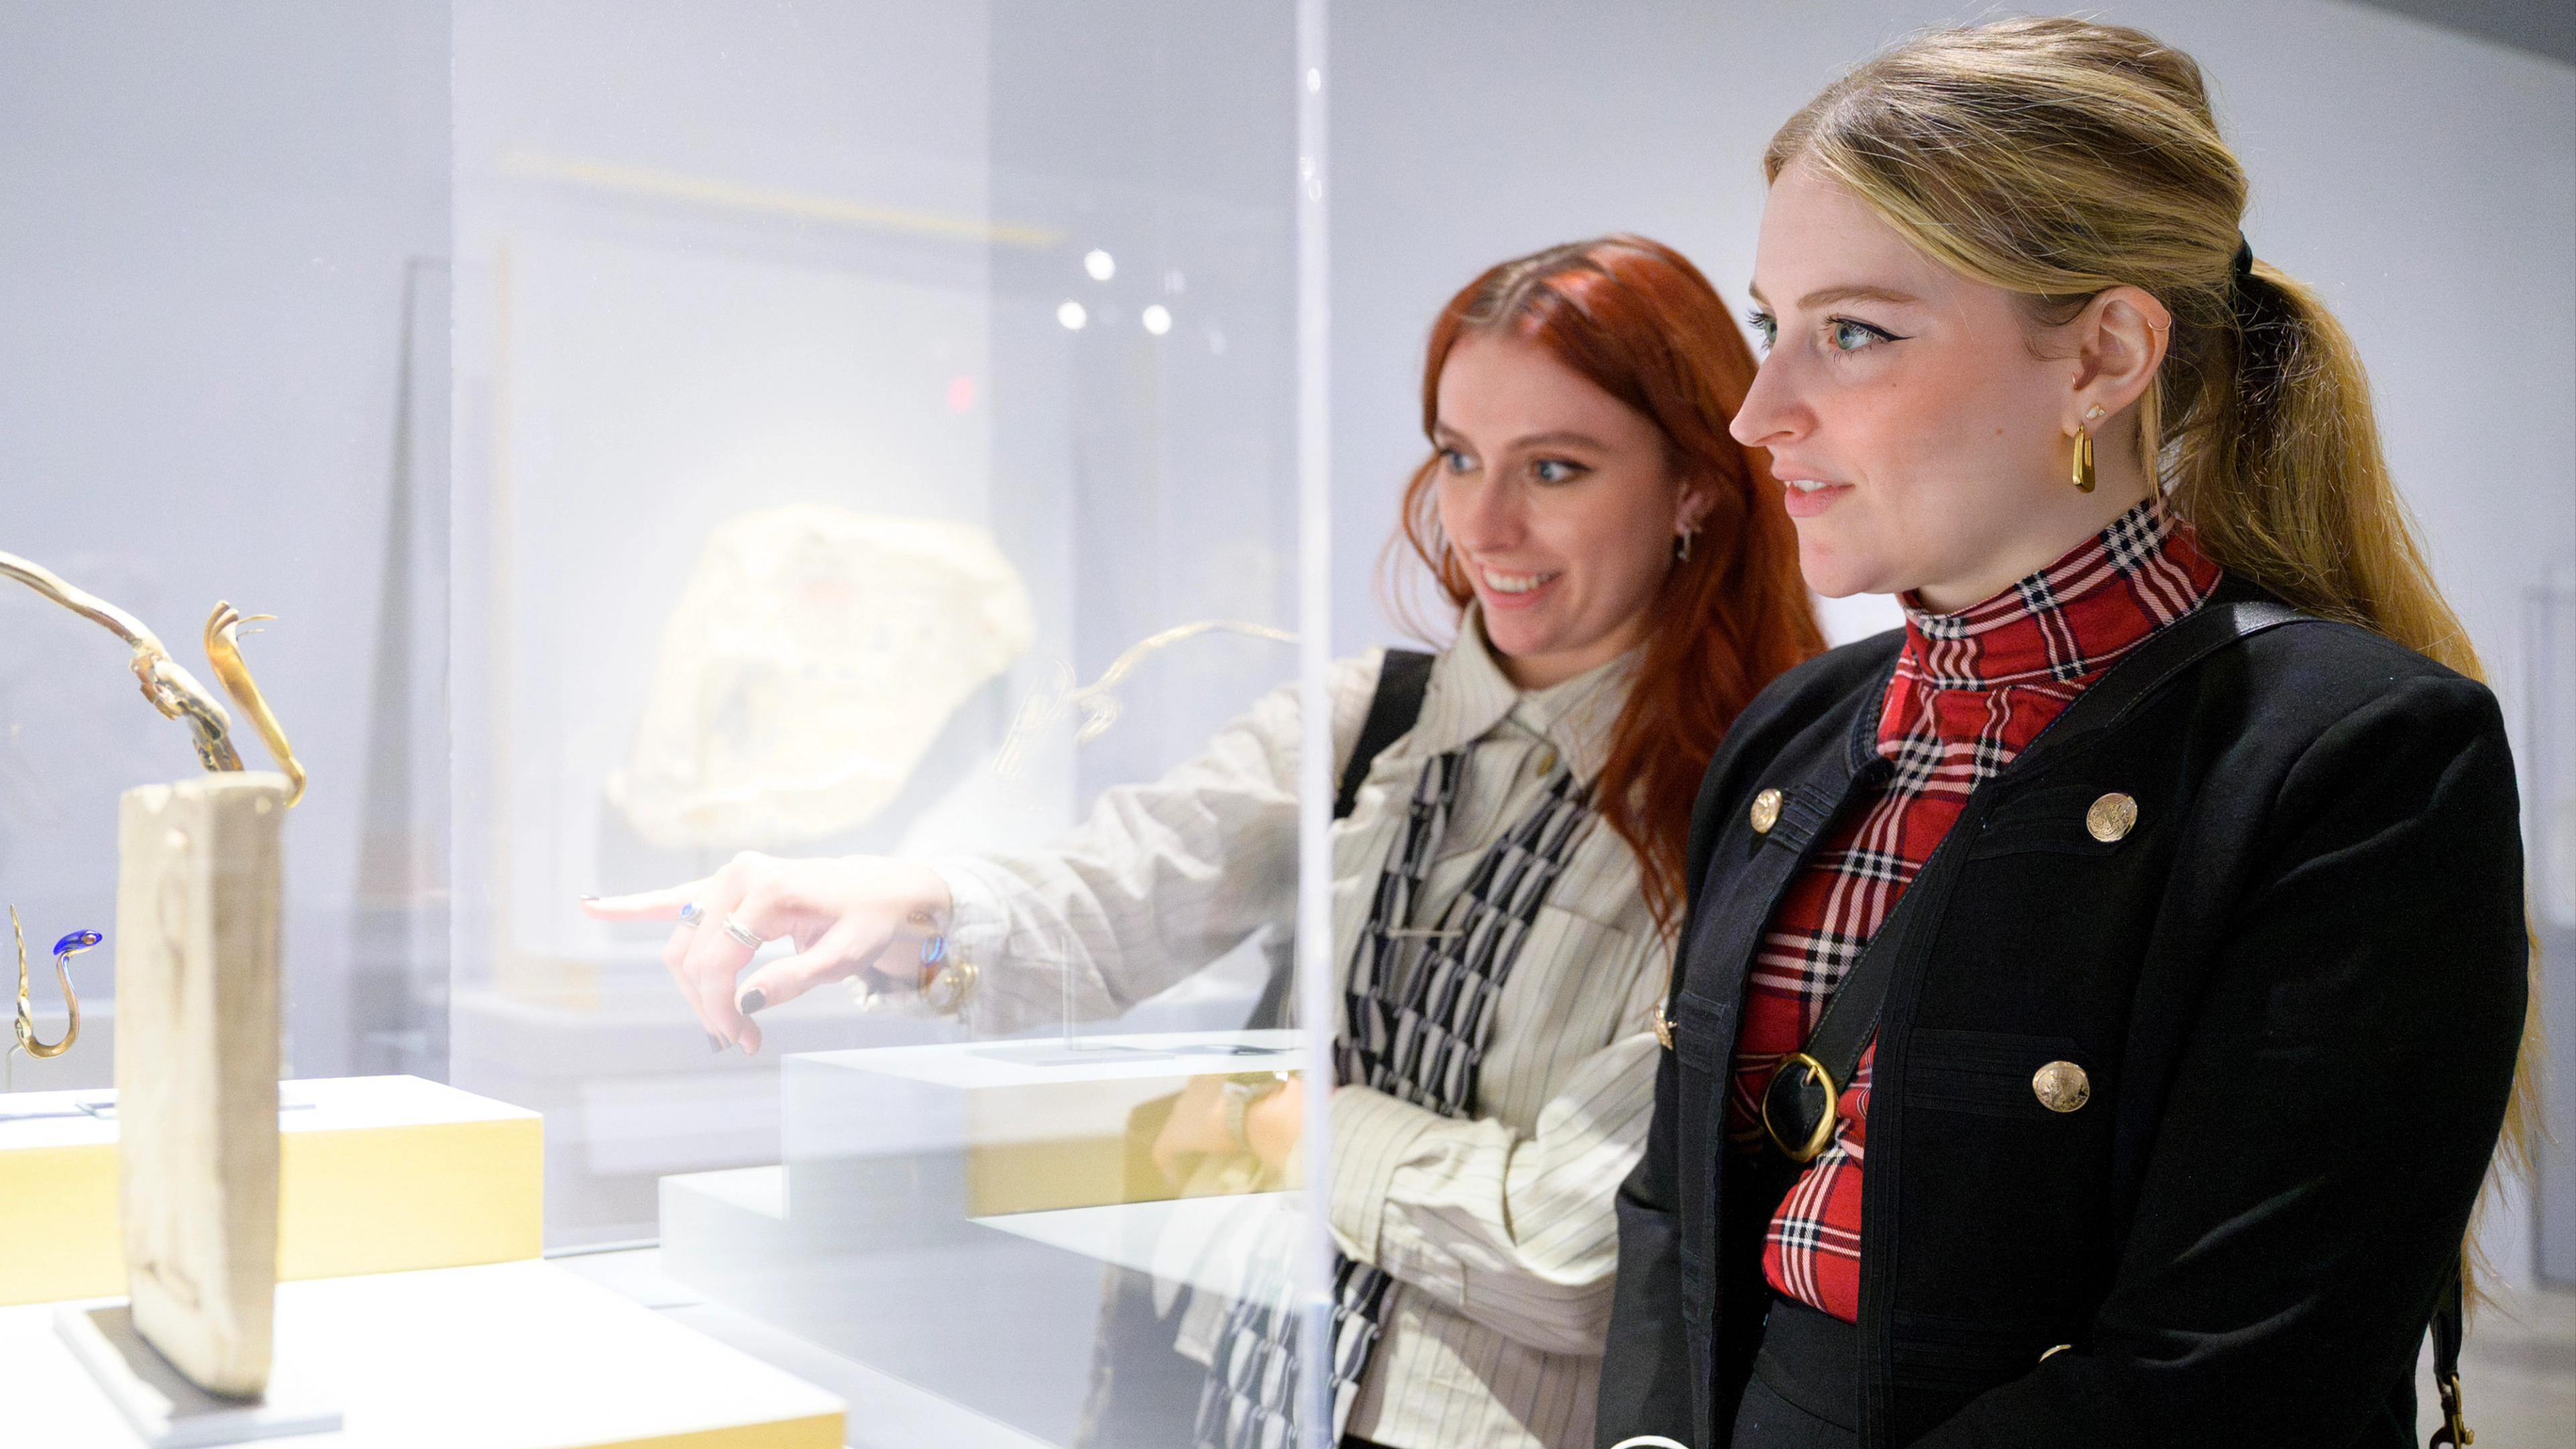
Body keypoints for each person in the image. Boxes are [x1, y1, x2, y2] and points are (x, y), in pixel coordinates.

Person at [586, 235, 1824, 1449]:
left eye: (1554, 469)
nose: (1484, 524)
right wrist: (895, 898)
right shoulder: (1364, 725)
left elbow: (1576, 1253)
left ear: (1697, 486)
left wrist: (1277, 1124)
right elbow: (1115, 895)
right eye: (1458, 457)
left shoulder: (1753, 809)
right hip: (1243, 1384)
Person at [1599, 19, 2536, 1449]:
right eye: (1768, 322)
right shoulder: (1797, 737)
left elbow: (2237, 1370)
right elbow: (1675, 1214)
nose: (1756, 411)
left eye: (1853, 331)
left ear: (2102, 354)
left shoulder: (2360, 761)